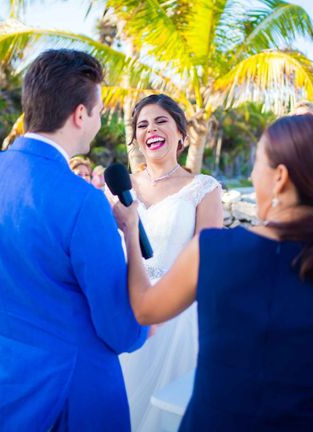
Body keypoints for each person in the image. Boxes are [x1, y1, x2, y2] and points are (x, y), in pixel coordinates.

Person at [114, 114, 313, 431]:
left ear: (279, 177)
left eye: (258, 164)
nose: (254, 177)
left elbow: (145, 310)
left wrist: (132, 233)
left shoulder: (212, 250)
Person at [0, 49, 147, 431]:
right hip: (70, 394)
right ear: (80, 114)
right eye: (98, 112)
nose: (98, 121)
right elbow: (121, 329)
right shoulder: (82, 200)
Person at [117, 94, 223, 431]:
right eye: (142, 125)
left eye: (161, 121)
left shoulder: (204, 188)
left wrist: (162, 308)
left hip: (178, 315)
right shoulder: (120, 188)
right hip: (124, 307)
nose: (151, 129)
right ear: (135, 138)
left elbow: (208, 259)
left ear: (181, 133)